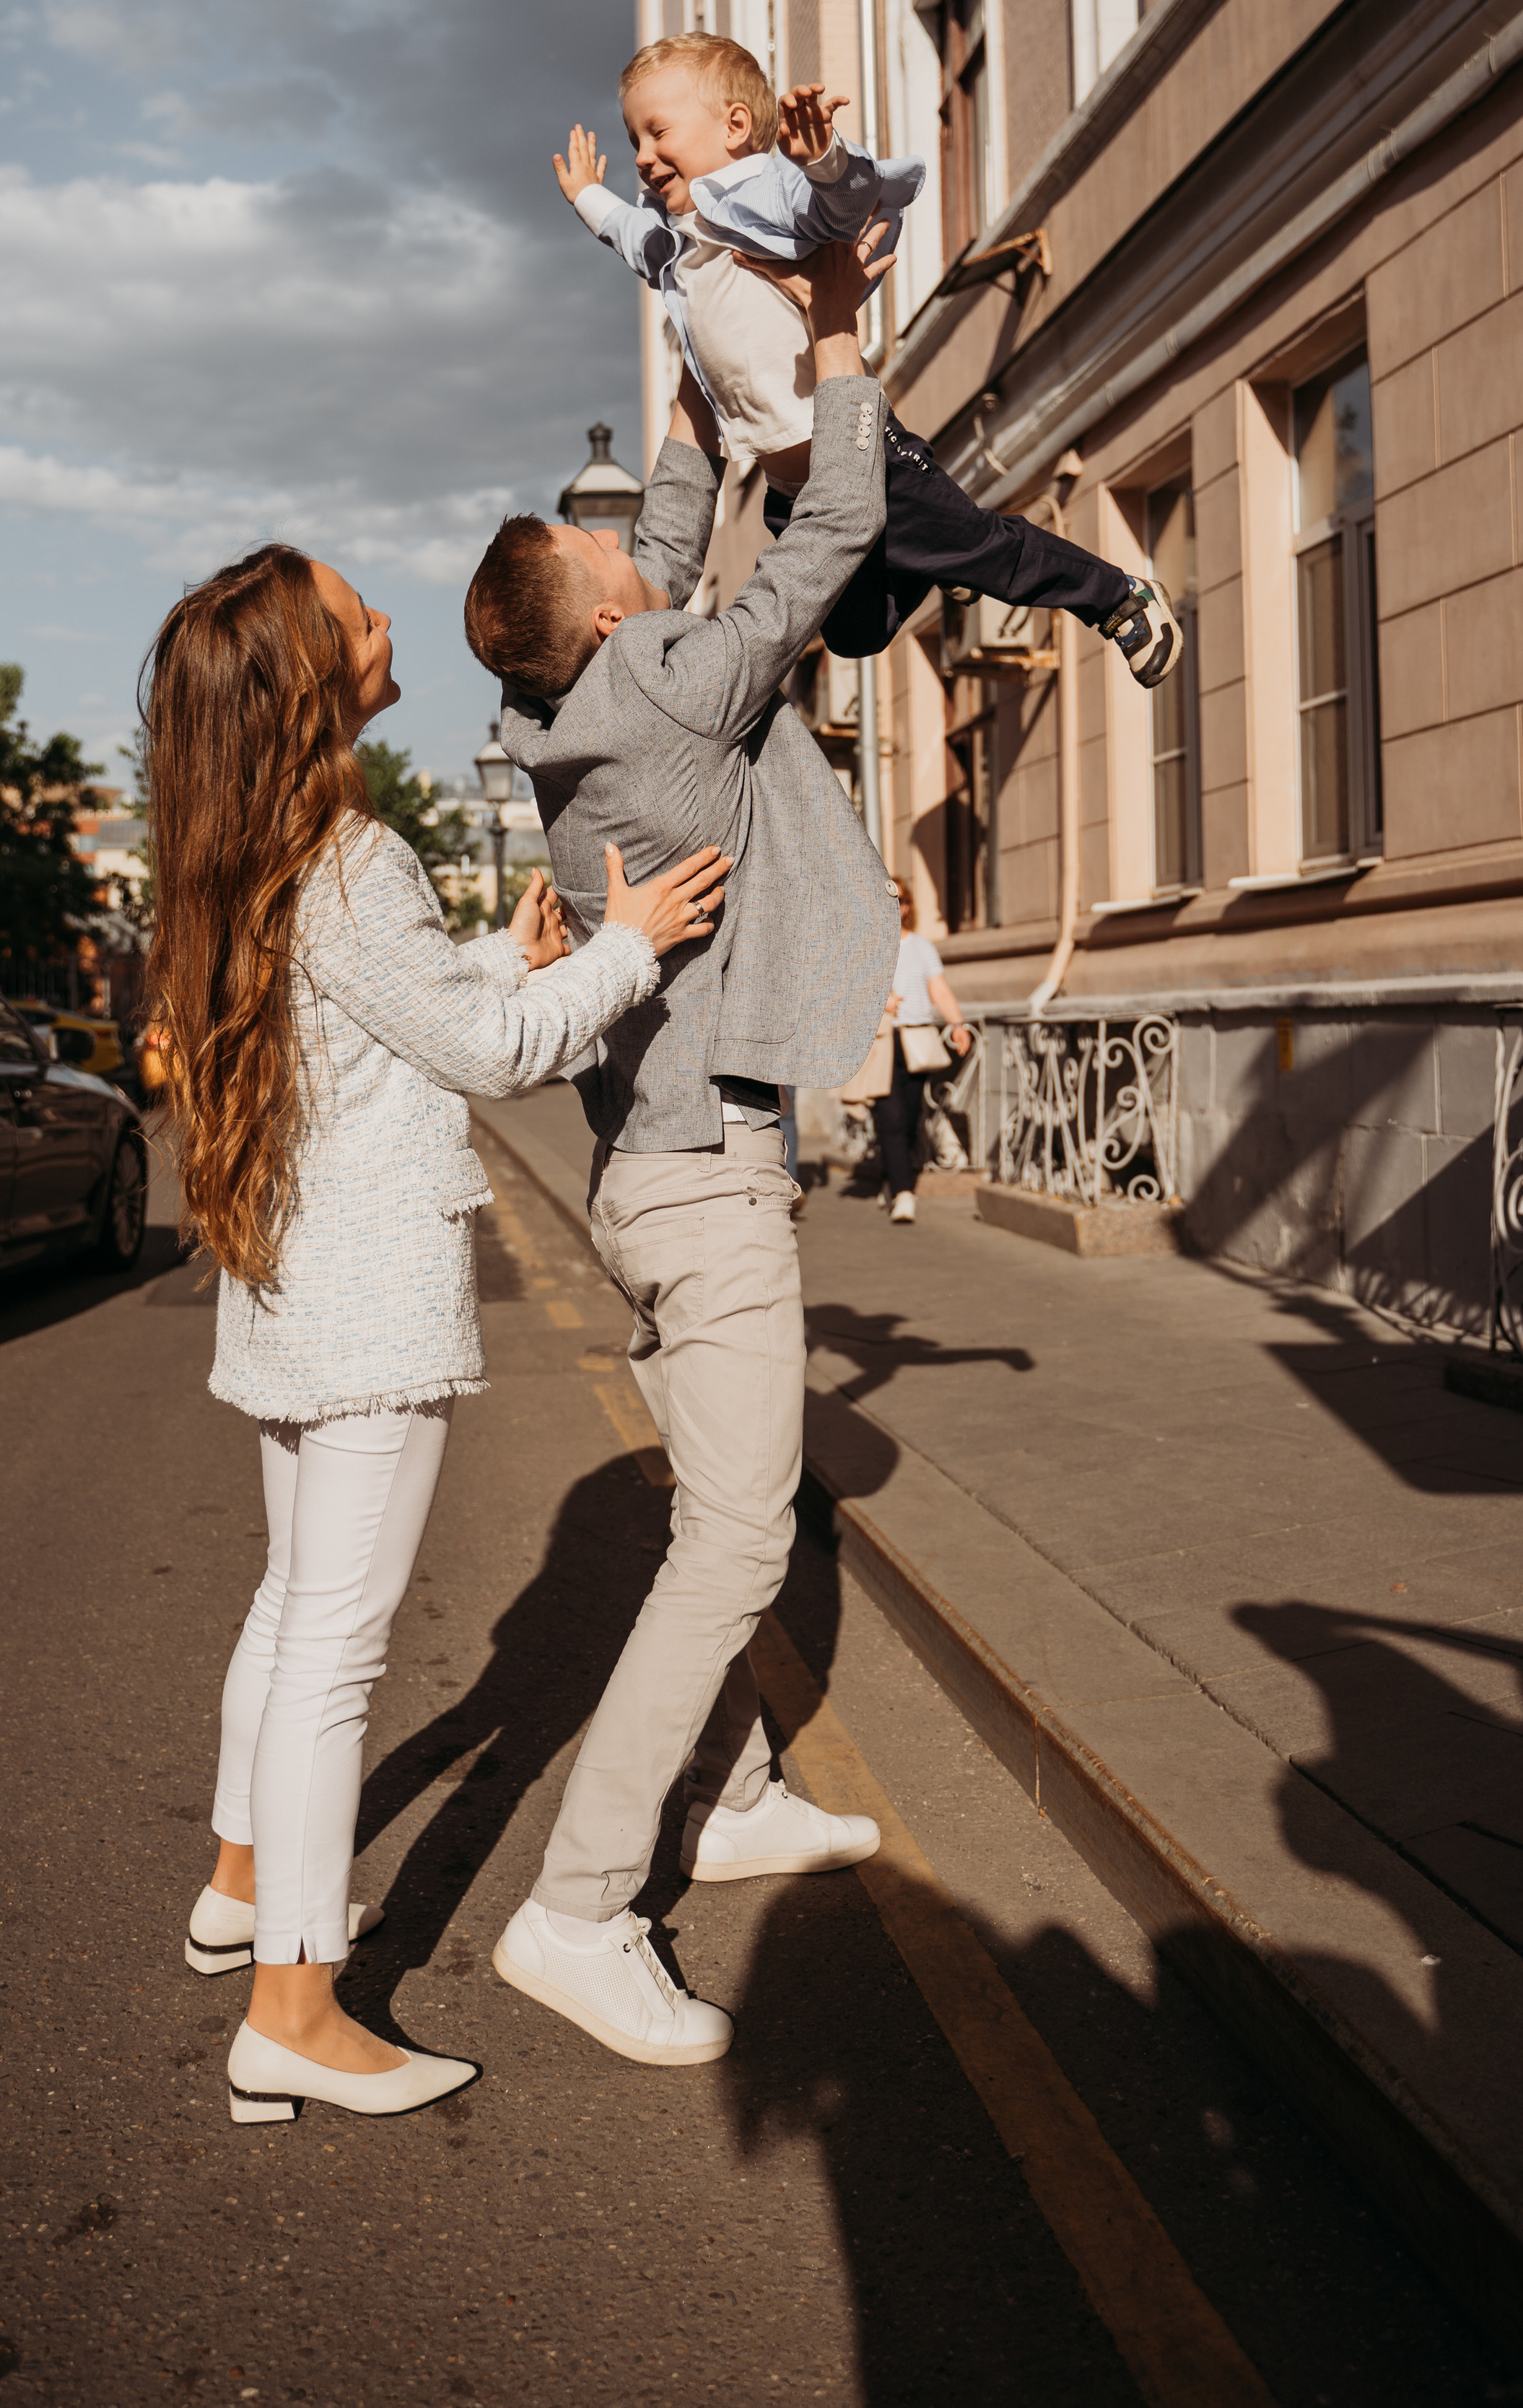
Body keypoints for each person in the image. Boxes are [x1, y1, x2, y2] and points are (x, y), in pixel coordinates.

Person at [142, 540, 728, 2126]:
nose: (389, 618)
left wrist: (499, 953)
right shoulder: (349, 852)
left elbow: (362, 1022)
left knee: (288, 1614)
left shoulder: (255, 854)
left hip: (285, 1292)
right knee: (337, 1649)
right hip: (365, 1313)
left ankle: (235, 1887)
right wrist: (628, 950)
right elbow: (480, 1055)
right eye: (358, 614)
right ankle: (295, 2008)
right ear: (311, 678)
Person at [461, 235, 894, 2069]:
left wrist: (687, 311)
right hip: (703, 1181)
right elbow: (826, 533)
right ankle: (573, 1907)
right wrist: (842, 340)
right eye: (606, 549)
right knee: (727, 1544)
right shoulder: (673, 686)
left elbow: (687, 494)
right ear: (610, 613)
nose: (631, 538)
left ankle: (717, 1802)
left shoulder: (571, 699)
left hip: (666, 1169)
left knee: (745, 1514)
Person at [554, 30, 1181, 683]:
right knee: (852, 634)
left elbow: (840, 205)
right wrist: (586, 198)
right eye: (634, 143)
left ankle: (1118, 599)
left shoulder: (758, 193)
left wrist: (822, 158)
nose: (644, 158)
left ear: (735, 126)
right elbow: (631, 236)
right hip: (792, 489)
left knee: (990, 553)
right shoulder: (678, 244)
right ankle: (931, 566)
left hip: (868, 462)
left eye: (657, 133)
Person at [873, 890, 973, 1226]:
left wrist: (958, 1025)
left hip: (916, 1038)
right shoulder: (867, 942)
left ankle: (893, 1175)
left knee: (912, 1115)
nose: (899, 906)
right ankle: (904, 1194)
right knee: (891, 1117)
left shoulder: (922, 947)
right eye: (891, 899)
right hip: (882, 1040)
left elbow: (939, 990)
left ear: (909, 907)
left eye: (903, 900)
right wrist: (880, 1000)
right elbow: (847, 988)